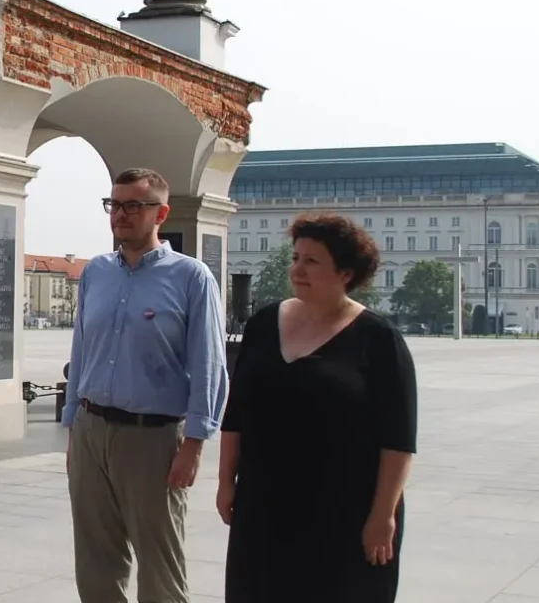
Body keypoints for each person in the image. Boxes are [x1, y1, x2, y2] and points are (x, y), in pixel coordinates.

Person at [217, 213, 418, 603]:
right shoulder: (263, 325)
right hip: (264, 505)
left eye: (311, 261)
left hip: (345, 512)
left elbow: (398, 439)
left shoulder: (379, 340)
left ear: (345, 273)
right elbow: (236, 413)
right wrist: (226, 482)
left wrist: (383, 515)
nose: (297, 269)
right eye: (296, 258)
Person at [61, 167, 228, 603]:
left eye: (134, 205)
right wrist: (73, 427)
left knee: (160, 568)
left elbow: (209, 364)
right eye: (114, 204)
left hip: (153, 438)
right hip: (92, 430)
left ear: (161, 214)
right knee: (95, 564)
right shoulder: (96, 272)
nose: (121, 214)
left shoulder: (192, 278)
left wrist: (194, 444)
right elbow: (81, 351)